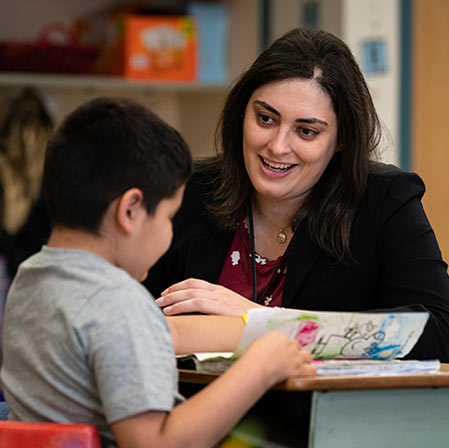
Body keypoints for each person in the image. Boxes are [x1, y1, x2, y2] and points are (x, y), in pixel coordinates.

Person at [0, 97, 315, 448]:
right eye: (168, 217)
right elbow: (154, 443)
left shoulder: (30, 278)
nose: (170, 234)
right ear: (131, 210)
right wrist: (258, 369)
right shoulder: (119, 301)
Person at [144, 27, 449, 362]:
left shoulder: (385, 199)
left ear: (341, 140)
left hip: (325, 413)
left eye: (306, 131)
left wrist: (263, 322)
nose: (277, 146)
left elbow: (437, 332)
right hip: (190, 408)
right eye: (265, 119)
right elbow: (126, 323)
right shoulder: (186, 190)